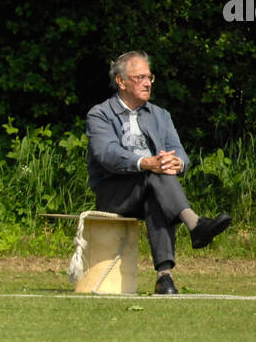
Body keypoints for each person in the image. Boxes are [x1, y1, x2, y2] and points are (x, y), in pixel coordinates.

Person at [85, 51, 231, 295]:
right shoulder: (99, 114)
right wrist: (144, 162)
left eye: (149, 77)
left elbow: (181, 154)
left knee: (158, 185)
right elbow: (107, 154)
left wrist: (177, 163)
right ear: (121, 81)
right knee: (155, 173)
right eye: (140, 77)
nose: (148, 82)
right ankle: (195, 225)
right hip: (114, 193)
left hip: (153, 187)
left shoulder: (161, 115)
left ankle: (165, 278)